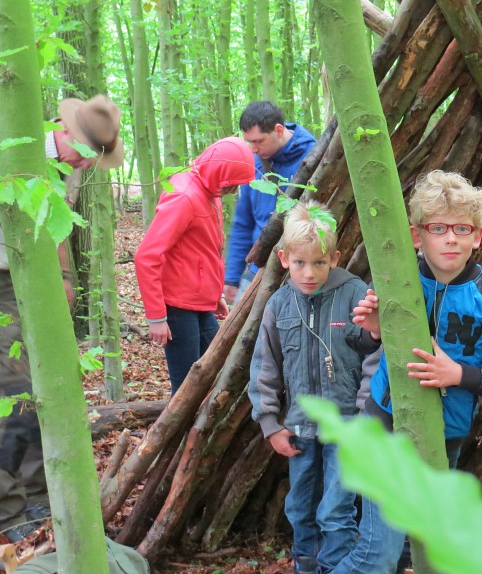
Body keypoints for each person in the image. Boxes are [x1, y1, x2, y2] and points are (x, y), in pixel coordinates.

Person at [336, 170, 482, 574]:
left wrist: (460, 374)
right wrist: (374, 332)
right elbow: (357, 343)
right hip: (384, 425)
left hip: (445, 438)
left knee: (424, 553)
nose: (451, 238)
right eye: (439, 228)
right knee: (378, 553)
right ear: (417, 236)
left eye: (462, 228)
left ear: (477, 236)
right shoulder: (397, 279)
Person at [0, 95, 124, 544]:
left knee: (38, 387)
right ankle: (10, 513)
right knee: (10, 390)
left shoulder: (67, 167)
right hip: (4, 281)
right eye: (89, 155)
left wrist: (65, 277)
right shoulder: (15, 148)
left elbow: (52, 224)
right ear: (67, 133)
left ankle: (37, 495)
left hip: (32, 281)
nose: (90, 166)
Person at [248, 201, 374, 574]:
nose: (309, 272)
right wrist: (270, 424)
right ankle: (306, 566)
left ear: (334, 258)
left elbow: (373, 356)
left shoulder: (354, 294)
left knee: (337, 509)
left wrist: (365, 414)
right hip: (300, 428)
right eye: (300, 263)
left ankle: (338, 567)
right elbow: (264, 367)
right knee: (300, 508)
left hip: (347, 426)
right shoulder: (280, 304)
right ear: (285, 258)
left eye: (319, 262)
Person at [135, 137, 255, 395]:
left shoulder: (211, 191)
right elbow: (147, 256)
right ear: (218, 172)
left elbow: (205, 251)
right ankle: (174, 435)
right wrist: (156, 316)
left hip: (199, 303)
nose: (232, 191)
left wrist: (215, 297)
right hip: (178, 306)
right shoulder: (184, 197)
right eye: (230, 185)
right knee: (186, 388)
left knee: (215, 371)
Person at [223, 101, 316, 305]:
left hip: (301, 273)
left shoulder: (314, 156)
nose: (253, 149)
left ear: (279, 130)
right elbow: (243, 222)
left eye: (259, 141)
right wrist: (232, 276)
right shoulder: (255, 164)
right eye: (249, 142)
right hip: (258, 270)